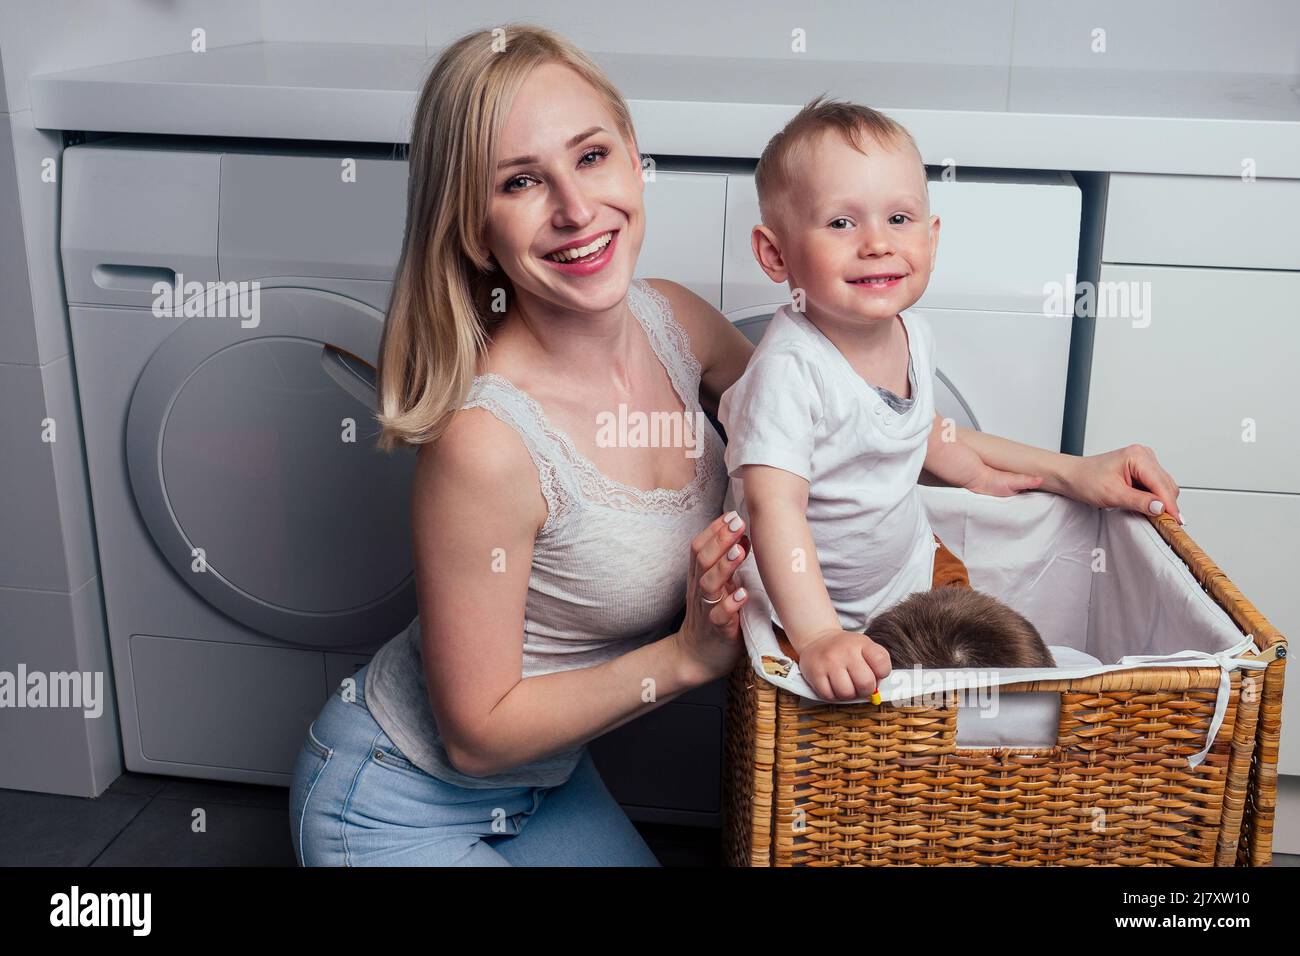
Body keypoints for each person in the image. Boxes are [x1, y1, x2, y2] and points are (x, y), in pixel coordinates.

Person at [717, 97, 1182, 703]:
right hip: (806, 607)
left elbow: (921, 429)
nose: (877, 243)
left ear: (931, 239)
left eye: (900, 219)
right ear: (775, 254)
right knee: (844, 721)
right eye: (841, 223)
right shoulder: (789, 370)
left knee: (990, 661)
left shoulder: (913, 335)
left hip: (912, 573)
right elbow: (773, 508)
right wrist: (819, 636)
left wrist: (993, 477)